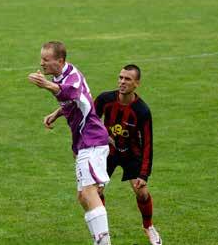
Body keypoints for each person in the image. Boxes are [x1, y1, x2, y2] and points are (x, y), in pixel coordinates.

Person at [28, 41, 111, 245]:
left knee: (88, 193)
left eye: (46, 60)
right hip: (84, 142)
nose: (42, 63)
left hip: (91, 140)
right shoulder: (60, 76)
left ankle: (104, 243)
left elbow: (71, 92)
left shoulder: (71, 77)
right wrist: (57, 114)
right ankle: (99, 240)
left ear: (60, 61)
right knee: (83, 197)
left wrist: (45, 85)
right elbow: (79, 100)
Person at [94, 64, 162, 245]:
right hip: (108, 152)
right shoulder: (105, 99)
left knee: (142, 193)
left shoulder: (142, 110)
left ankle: (148, 227)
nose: (122, 82)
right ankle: (102, 233)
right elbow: (90, 120)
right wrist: (102, 136)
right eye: (121, 77)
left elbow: (148, 143)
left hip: (131, 153)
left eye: (128, 79)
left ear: (137, 83)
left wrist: (143, 174)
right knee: (96, 191)